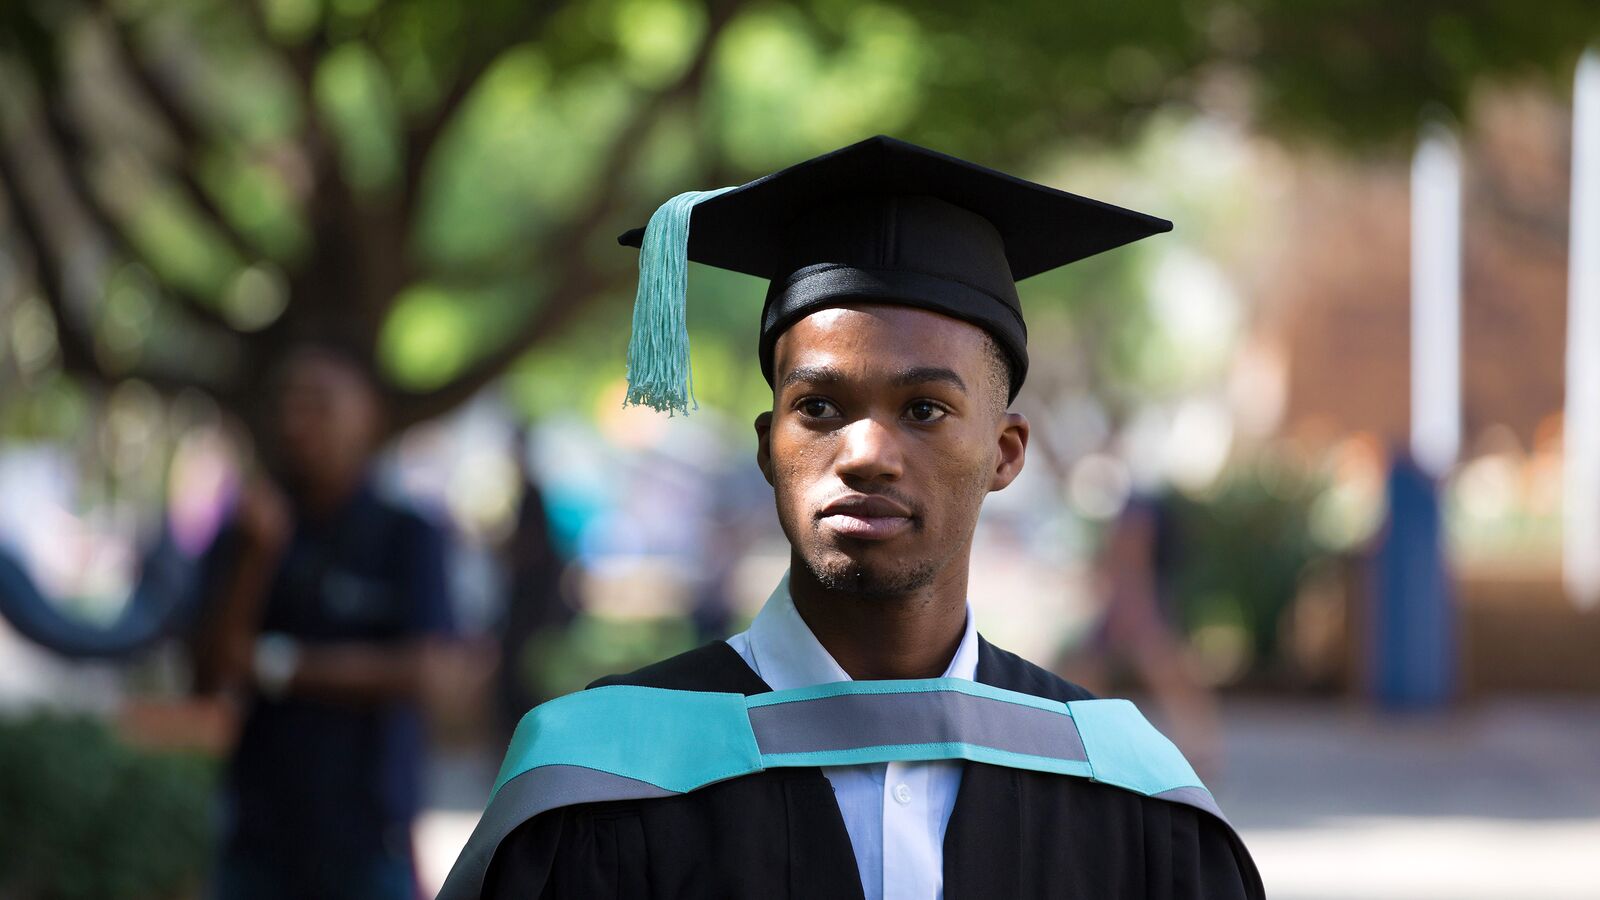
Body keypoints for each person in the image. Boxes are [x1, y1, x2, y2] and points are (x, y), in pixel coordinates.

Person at [443, 136, 1264, 899]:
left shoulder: (1123, 789)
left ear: (1008, 453)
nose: (867, 451)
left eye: (926, 409)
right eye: (822, 405)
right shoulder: (602, 780)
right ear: (769, 447)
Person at [192, 344, 459, 900]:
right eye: (285, 402)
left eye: (319, 403)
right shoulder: (249, 530)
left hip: (367, 836)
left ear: (369, 415)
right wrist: (256, 558)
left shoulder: (407, 535)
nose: (296, 422)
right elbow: (211, 676)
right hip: (258, 837)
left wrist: (277, 665)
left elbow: (428, 672)